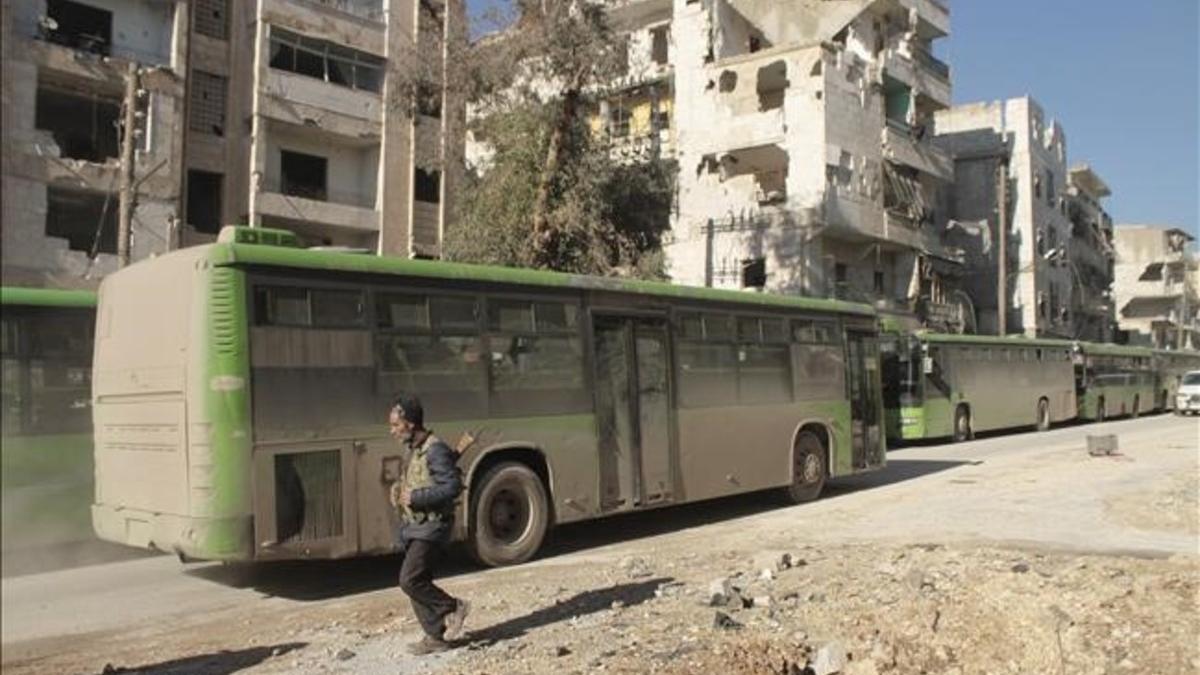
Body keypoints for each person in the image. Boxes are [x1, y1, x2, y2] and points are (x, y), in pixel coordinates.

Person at [388, 394, 470, 654]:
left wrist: (416, 497)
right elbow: (423, 479)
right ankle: (435, 637)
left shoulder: (434, 448)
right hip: (416, 526)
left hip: (432, 526)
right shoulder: (416, 449)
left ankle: (452, 606)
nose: (392, 431)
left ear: (410, 424)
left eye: (395, 425)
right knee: (417, 580)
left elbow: (452, 486)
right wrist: (400, 490)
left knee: (409, 580)